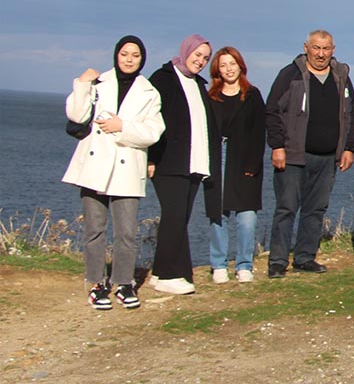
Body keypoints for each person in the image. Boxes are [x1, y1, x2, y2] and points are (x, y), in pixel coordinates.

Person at [63, 36, 164, 309]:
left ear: (142, 59)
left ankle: (124, 282)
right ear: (116, 55)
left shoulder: (150, 92)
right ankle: (96, 283)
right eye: (124, 54)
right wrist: (82, 84)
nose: (129, 59)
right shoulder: (98, 83)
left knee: (127, 232)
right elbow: (76, 114)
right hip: (94, 167)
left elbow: (154, 132)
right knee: (95, 229)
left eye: (135, 55)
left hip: (128, 166)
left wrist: (122, 126)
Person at [264, 30, 354, 278]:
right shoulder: (291, 75)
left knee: (315, 210)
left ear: (333, 50)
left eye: (326, 49)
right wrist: (277, 146)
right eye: (316, 48)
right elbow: (272, 110)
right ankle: (278, 261)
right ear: (306, 47)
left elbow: (351, 116)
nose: (321, 54)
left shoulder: (341, 77)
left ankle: (305, 257)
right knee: (286, 208)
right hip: (294, 155)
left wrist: (349, 147)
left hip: (328, 157)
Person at [147, 35, 221, 295]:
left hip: (194, 163)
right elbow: (150, 119)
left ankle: (159, 272)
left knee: (180, 218)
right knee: (174, 216)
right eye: (197, 54)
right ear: (186, 50)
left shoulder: (199, 84)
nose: (200, 61)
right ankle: (170, 275)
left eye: (205, 58)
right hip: (169, 162)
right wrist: (151, 158)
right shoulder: (163, 78)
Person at [207, 46, 266, 283]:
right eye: (223, 65)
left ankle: (244, 264)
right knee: (218, 214)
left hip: (245, 158)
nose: (229, 69)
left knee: (246, 216)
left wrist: (253, 164)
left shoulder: (252, 95)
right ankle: (218, 264)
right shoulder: (210, 97)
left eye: (232, 64)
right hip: (218, 157)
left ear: (240, 66)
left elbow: (259, 132)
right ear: (217, 70)